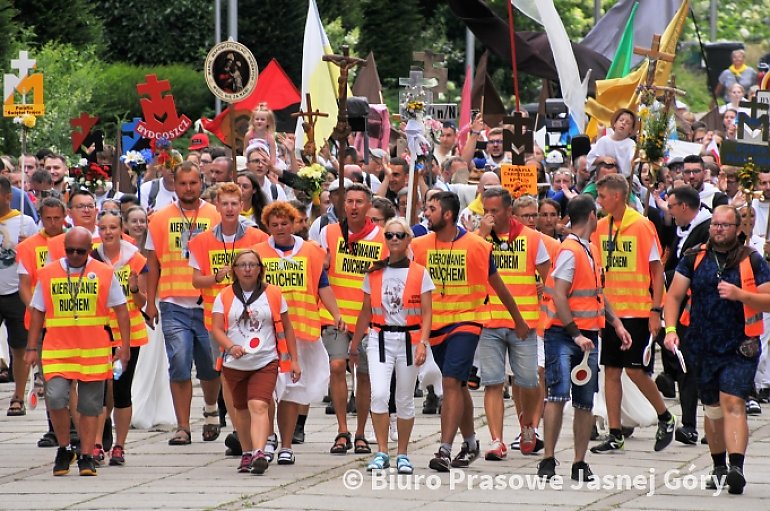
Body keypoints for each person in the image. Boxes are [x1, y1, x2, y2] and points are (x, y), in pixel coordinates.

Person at [412, 191, 529, 472]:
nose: (426, 214)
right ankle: (471, 442)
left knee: (451, 382)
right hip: (435, 326)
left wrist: (519, 320)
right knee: (458, 386)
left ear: (448, 214)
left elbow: (499, 287)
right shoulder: (418, 245)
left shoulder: (477, 246)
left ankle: (444, 449)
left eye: (432, 209)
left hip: (467, 321)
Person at [664, 205, 770, 495]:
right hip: (701, 344)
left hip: (741, 345)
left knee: (733, 401)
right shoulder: (694, 257)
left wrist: (741, 295)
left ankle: (737, 467)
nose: (719, 229)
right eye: (715, 225)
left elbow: (768, 299)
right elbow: (673, 297)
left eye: (725, 225)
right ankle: (719, 466)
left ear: (738, 229)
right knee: (712, 410)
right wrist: (671, 331)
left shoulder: (753, 260)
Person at [539, 193, 633, 482]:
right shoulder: (571, 250)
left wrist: (616, 323)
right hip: (565, 334)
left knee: (584, 401)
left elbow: (597, 294)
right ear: (591, 215)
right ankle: (548, 459)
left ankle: (579, 462)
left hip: (588, 336)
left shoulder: (590, 249)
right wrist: (575, 334)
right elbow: (559, 294)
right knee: (557, 394)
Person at [24, 227, 131, 476]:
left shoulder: (103, 273)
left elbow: (122, 310)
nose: (74, 255)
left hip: (92, 350)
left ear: (89, 250)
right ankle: (64, 448)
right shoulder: (48, 273)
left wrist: (124, 347)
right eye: (69, 250)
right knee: (56, 398)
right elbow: (37, 311)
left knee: (90, 406)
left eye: (80, 251)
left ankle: (85, 455)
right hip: (57, 349)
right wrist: (31, 347)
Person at [589, 174, 675, 455]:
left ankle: (665, 416)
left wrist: (656, 310)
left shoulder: (641, 225)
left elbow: (657, 269)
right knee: (611, 371)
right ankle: (615, 432)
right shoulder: (601, 227)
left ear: (617, 196)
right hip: (610, 311)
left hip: (638, 309)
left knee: (635, 370)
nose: (599, 201)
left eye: (602, 196)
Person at [255, 201, 340, 465]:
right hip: (268, 331)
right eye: (274, 225)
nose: (280, 229)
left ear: (294, 224)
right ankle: (267, 438)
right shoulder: (257, 253)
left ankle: (287, 444)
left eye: (285, 224)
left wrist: (336, 314)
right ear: (267, 227)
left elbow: (322, 286)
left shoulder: (312, 252)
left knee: (291, 391)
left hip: (302, 332)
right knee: (267, 390)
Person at [145, 161, 223, 446]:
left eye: (193, 183)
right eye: (183, 183)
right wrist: (151, 302)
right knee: (179, 364)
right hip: (173, 302)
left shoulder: (214, 214)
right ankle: (183, 426)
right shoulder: (160, 218)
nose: (188, 189)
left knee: (210, 368)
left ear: (200, 183)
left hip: (209, 303)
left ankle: (212, 410)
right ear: (173, 185)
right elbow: (152, 262)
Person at [351, 217, 433, 473]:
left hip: (409, 339)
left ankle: (403, 454)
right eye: (389, 235)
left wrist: (423, 343)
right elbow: (366, 310)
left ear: (408, 239)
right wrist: (354, 344)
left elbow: (428, 313)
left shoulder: (420, 272)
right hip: (379, 338)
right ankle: (382, 452)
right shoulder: (374, 272)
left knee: (405, 398)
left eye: (399, 235)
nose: (394, 239)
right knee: (379, 394)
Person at [476, 187, 551, 459]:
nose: (490, 215)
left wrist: (547, 294)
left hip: (525, 324)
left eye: (495, 210)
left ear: (509, 211)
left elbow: (548, 275)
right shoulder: (480, 238)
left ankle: (528, 425)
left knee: (529, 380)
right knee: (493, 382)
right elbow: (467, 259)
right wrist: (481, 234)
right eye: (486, 210)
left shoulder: (531, 238)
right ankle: (497, 440)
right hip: (490, 321)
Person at [211, 249, 300, 475]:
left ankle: (260, 452)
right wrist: (231, 346)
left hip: (265, 360)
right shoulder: (224, 297)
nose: (248, 269)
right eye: (242, 265)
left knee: (258, 405)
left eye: (252, 264)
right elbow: (217, 329)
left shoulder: (274, 294)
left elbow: (288, 328)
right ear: (234, 270)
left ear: (260, 269)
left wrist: (295, 360)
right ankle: (247, 452)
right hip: (235, 363)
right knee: (241, 409)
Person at [320, 183, 388, 455]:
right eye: (349, 201)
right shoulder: (330, 232)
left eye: (360, 201)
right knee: (337, 366)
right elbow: (320, 267)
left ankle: (361, 432)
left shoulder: (383, 238)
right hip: (335, 315)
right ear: (342, 204)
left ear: (369, 205)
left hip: (368, 318)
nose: (354, 206)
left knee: (365, 375)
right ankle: (342, 430)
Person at [90, 209, 149, 466]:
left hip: (130, 333)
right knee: (100, 391)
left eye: (113, 227)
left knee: (122, 390)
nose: (108, 233)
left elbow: (142, 301)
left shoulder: (135, 259)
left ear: (121, 228)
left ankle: (119, 446)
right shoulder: (91, 258)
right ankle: (95, 443)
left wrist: (135, 287)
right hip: (100, 331)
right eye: (103, 228)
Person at [661, 186, 712, 444]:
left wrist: (663, 278)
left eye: (670, 207)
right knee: (687, 368)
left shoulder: (707, 229)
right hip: (683, 312)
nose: (668, 212)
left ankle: (714, 426)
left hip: (706, 311)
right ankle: (689, 424)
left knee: (708, 370)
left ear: (683, 207)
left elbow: (694, 268)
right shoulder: (681, 230)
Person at [17, 197, 67, 447]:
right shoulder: (29, 247)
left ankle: (73, 426)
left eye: (57, 218)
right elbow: (24, 286)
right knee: (48, 376)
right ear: (41, 218)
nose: (53, 223)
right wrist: (36, 310)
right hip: (44, 322)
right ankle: (53, 427)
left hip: (70, 320)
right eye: (48, 218)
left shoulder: (74, 242)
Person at [0, 175, 39, 417]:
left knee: (19, 345)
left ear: (7, 197)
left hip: (15, 291)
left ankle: (18, 394)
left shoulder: (25, 223)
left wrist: (28, 245)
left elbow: (38, 256)